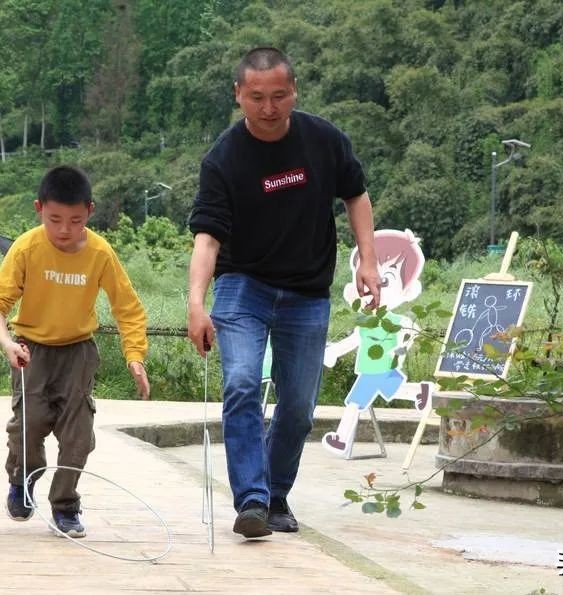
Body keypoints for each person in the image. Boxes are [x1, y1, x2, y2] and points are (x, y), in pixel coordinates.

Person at [187, 47, 382, 539]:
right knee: (242, 383)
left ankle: (275, 494)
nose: (268, 108)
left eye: (278, 96)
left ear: (294, 91)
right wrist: (195, 302)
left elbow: (356, 195)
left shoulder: (324, 140)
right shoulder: (224, 159)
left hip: (307, 291)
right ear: (238, 95)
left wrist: (369, 260)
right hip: (242, 285)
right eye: (256, 97)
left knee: (298, 405)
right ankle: (251, 500)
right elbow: (208, 238)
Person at [0, 165, 150, 539]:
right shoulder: (26, 248)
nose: (63, 230)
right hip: (31, 351)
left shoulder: (101, 253)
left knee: (77, 434)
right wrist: (7, 342)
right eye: (54, 219)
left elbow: (128, 308)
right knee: (28, 426)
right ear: (39, 208)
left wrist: (134, 356)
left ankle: (66, 504)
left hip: (78, 352)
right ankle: (22, 481)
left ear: (90, 212)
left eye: (75, 221)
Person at [321, 229, 431, 458]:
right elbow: (354, 340)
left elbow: (411, 329)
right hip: (379, 368)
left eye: (385, 280)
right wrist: (333, 352)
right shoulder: (367, 320)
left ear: (408, 291)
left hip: (376, 368)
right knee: (397, 390)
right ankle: (420, 391)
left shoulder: (391, 320)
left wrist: (402, 346)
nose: (374, 285)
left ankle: (341, 441)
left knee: (354, 403)